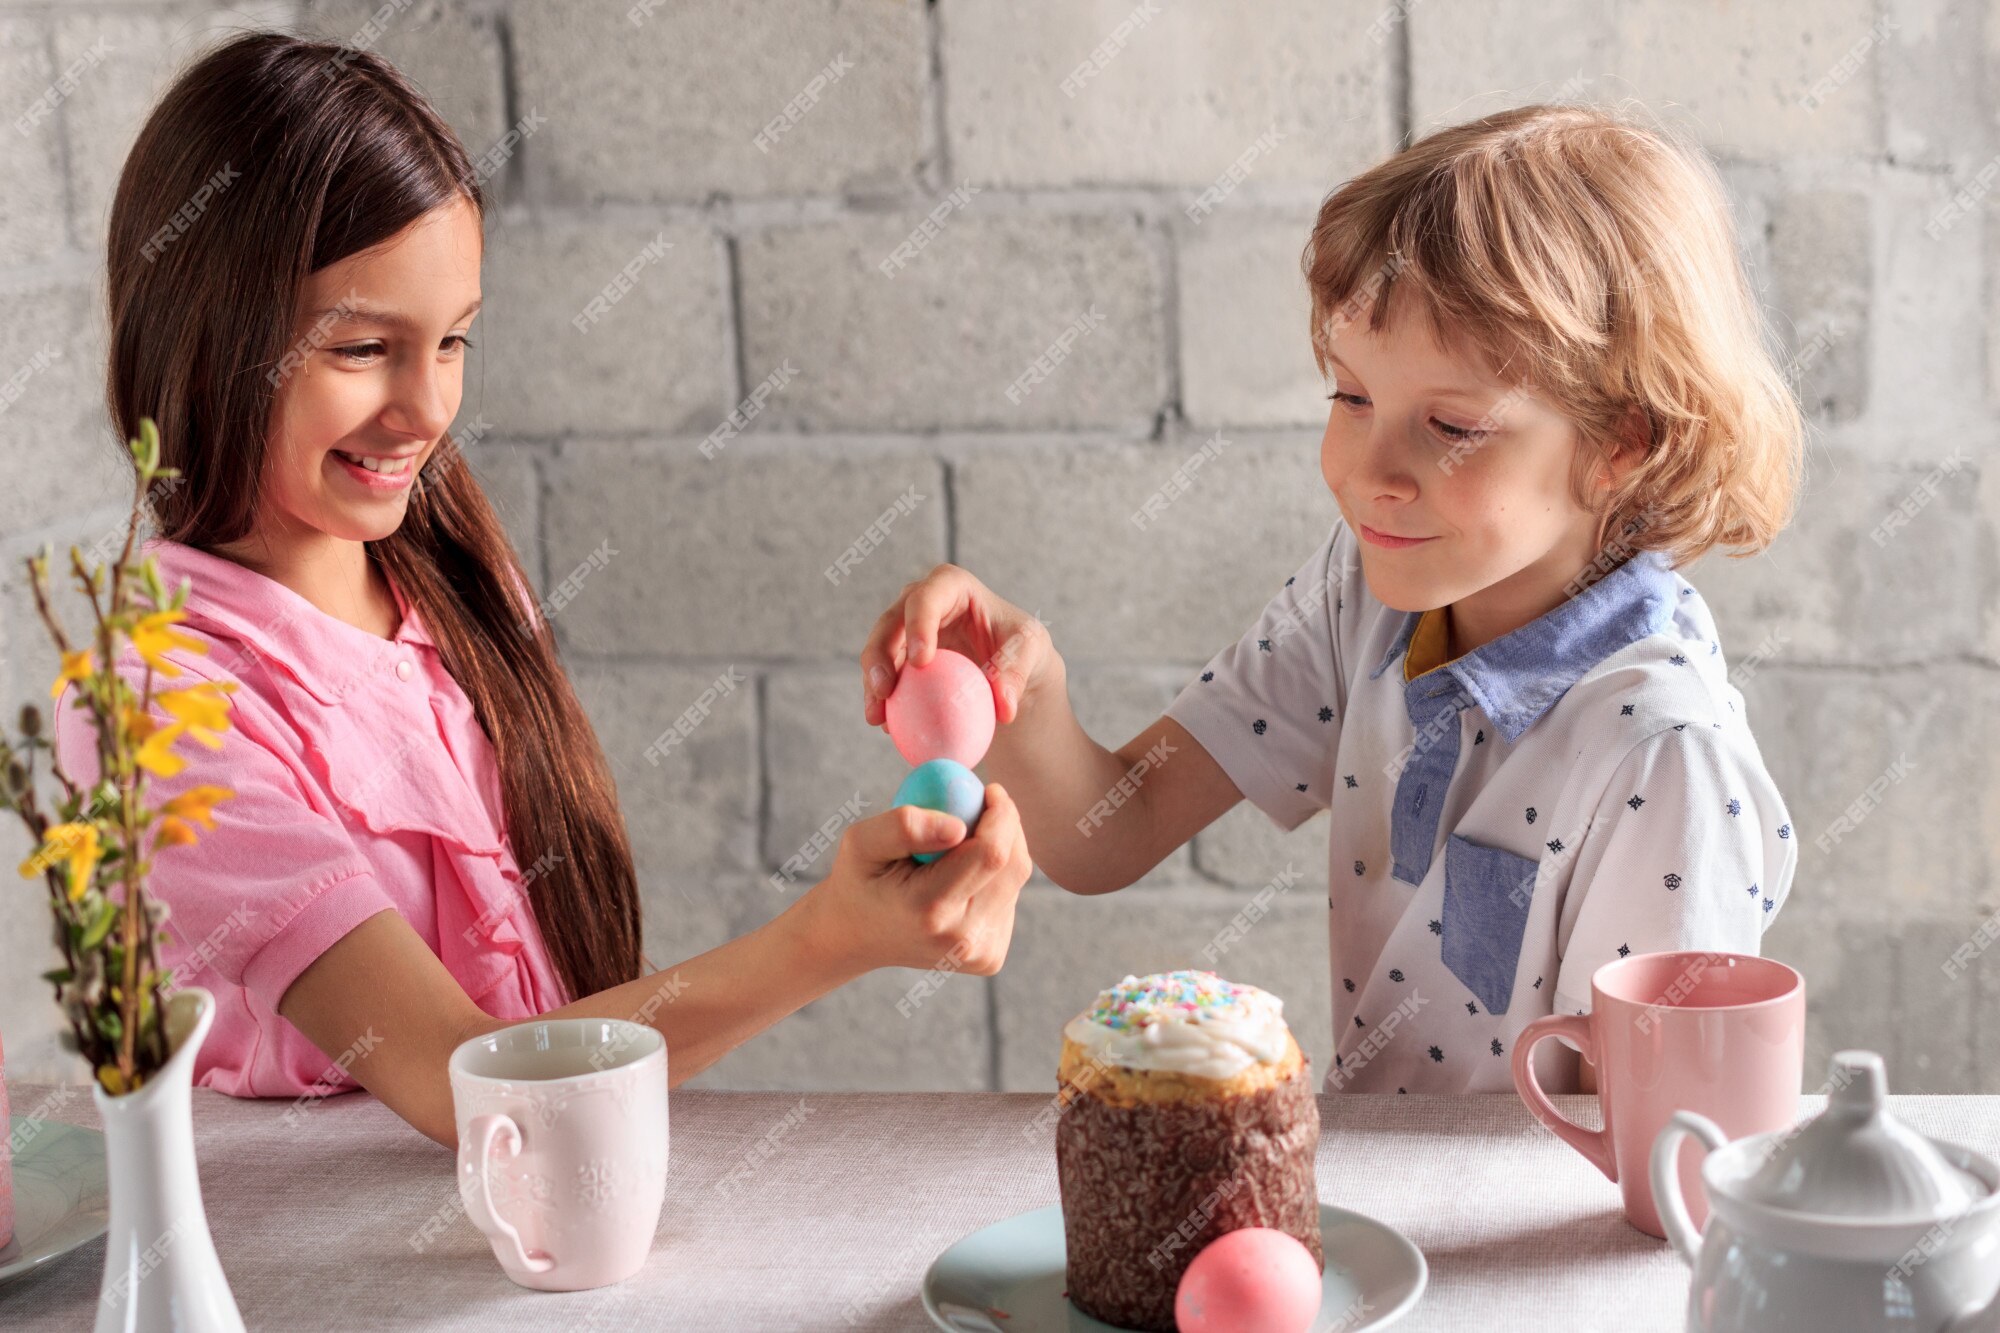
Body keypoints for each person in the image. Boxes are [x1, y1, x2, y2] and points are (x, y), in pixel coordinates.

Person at [57, 31, 1032, 1147]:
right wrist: (829, 939)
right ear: (207, 336)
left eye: (454, 341)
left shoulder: (451, 581)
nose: (428, 410)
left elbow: (564, 1049)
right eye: (366, 347)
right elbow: (460, 1079)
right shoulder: (151, 707)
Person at [861, 104, 1804, 1093]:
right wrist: (1026, 689)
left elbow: (1662, 1155)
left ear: (1621, 441)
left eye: (1449, 424)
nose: (1370, 472)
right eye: (1350, 397)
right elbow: (1108, 834)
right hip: (1384, 1217)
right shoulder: (1364, 600)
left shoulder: (1660, 754)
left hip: (1526, 1242)